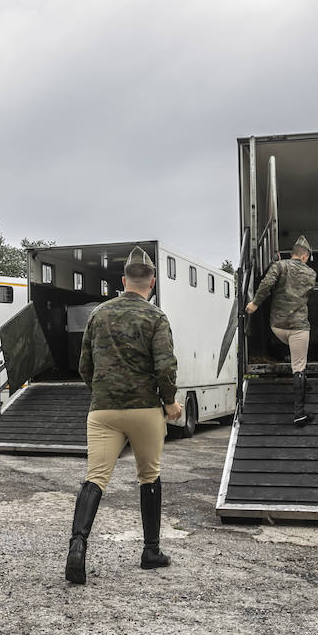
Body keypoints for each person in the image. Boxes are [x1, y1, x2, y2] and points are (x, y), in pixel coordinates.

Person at [65, 247, 183, 585]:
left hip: (103, 411)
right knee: (149, 476)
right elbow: (165, 365)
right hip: (144, 410)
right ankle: (150, 551)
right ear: (153, 282)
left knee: (95, 477)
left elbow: (83, 366)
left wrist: (103, 391)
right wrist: (170, 402)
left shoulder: (99, 314)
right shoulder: (156, 317)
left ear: (123, 280)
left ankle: (77, 548)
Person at [245, 234, 317, 426]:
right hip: (298, 328)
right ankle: (299, 413)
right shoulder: (311, 274)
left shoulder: (279, 266)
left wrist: (254, 303)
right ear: (304, 256)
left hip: (277, 327)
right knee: (299, 365)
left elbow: (267, 284)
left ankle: (303, 382)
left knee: (295, 354)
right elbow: (307, 292)